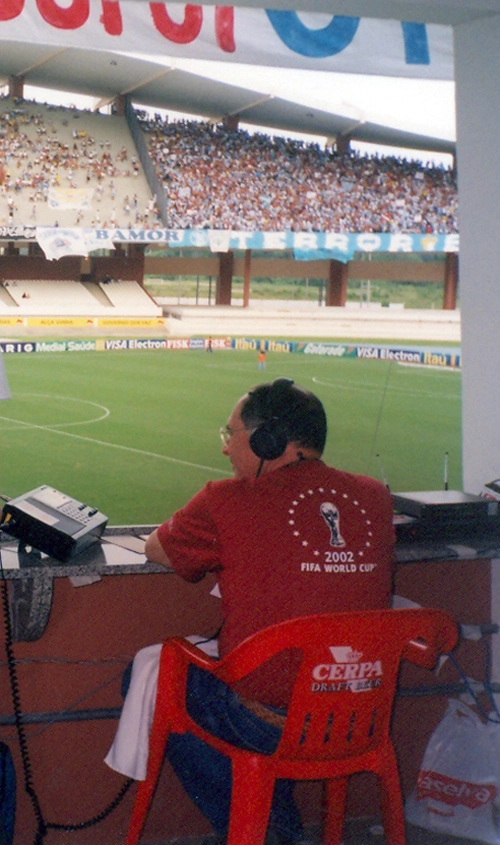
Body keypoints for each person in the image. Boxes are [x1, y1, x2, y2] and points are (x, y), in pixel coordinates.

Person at [122, 379, 395, 845]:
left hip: (268, 721)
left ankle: (265, 831)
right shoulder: (374, 496)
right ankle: (271, 825)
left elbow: (158, 549)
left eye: (231, 435)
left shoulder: (226, 499)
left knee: (149, 676)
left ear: (267, 440)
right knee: (276, 679)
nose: (227, 450)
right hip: (358, 715)